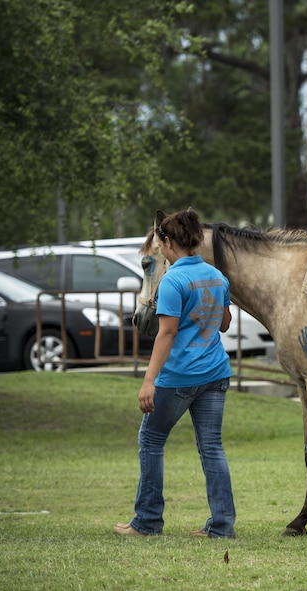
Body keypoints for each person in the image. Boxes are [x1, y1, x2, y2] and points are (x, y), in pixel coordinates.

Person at [114, 208, 237, 538]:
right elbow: (224, 324)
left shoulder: (172, 281)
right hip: (215, 373)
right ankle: (222, 526)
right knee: (212, 448)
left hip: (180, 376)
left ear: (167, 243)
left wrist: (148, 380)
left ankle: (147, 522)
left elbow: (166, 334)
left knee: (151, 441)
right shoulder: (216, 276)